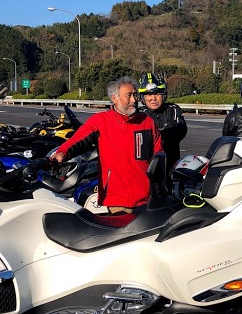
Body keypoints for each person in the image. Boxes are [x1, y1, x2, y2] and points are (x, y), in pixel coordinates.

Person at [50, 76, 162, 214]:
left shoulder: (147, 122)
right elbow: (79, 140)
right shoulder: (101, 121)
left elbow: (158, 157)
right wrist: (62, 152)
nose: (134, 100)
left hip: (146, 199)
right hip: (117, 200)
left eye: (135, 95)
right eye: (128, 95)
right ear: (115, 98)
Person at [137, 72, 187, 171]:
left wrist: (162, 133)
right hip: (147, 168)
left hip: (171, 166)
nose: (153, 98)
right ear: (142, 97)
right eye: (148, 94)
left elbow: (181, 130)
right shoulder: (139, 115)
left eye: (157, 93)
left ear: (164, 94)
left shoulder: (173, 109)